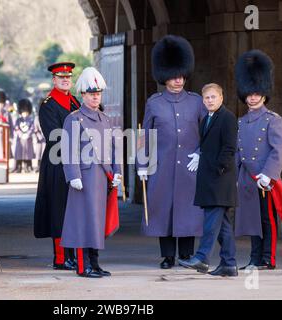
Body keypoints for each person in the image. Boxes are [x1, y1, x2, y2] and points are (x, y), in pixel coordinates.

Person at [137, 35, 206, 269]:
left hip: (189, 167)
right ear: (165, 76)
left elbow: (208, 133)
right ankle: (167, 255)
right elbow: (145, 135)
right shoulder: (154, 103)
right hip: (162, 166)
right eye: (174, 76)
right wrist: (142, 164)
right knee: (163, 209)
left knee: (188, 210)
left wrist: (200, 154)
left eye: (181, 76)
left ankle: (186, 254)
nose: (179, 81)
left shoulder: (197, 102)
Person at [61, 67, 122, 278]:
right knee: (82, 221)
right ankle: (82, 266)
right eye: (91, 93)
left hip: (102, 177)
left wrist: (117, 172)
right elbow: (69, 150)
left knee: (96, 221)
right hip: (84, 177)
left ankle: (94, 263)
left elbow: (114, 148)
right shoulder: (74, 118)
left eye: (98, 93)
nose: (96, 96)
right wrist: (73, 175)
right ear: (83, 95)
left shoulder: (105, 119)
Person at [234, 50, 282, 270]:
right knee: (252, 221)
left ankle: (268, 258)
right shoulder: (241, 122)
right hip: (247, 179)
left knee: (267, 220)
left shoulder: (273, 120)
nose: (253, 97)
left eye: (257, 93)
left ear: (264, 94)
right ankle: (255, 257)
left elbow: (279, 149)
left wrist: (268, 175)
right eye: (249, 94)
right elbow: (238, 152)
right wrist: (235, 176)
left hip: (265, 178)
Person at [179, 83, 238, 277]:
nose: (210, 100)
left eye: (213, 97)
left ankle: (203, 257)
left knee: (211, 222)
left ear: (221, 98)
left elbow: (229, 148)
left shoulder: (228, 118)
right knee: (224, 226)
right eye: (207, 98)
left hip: (220, 178)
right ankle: (229, 264)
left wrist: (218, 169)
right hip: (209, 178)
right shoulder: (206, 119)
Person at [34, 62, 80, 270]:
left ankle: (75, 255)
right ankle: (61, 258)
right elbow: (55, 135)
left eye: (68, 77)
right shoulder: (48, 104)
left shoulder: (75, 102)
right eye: (61, 77)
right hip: (57, 161)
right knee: (58, 210)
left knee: (74, 210)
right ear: (54, 79)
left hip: (77, 161)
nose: (65, 80)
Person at [12, 99, 35, 173]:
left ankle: (28, 167)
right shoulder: (18, 120)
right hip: (20, 139)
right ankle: (18, 167)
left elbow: (32, 128)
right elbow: (16, 128)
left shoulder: (31, 120)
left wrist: (27, 134)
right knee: (19, 153)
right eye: (23, 112)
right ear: (21, 112)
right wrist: (21, 135)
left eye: (26, 112)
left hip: (28, 139)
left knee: (27, 154)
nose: (25, 114)